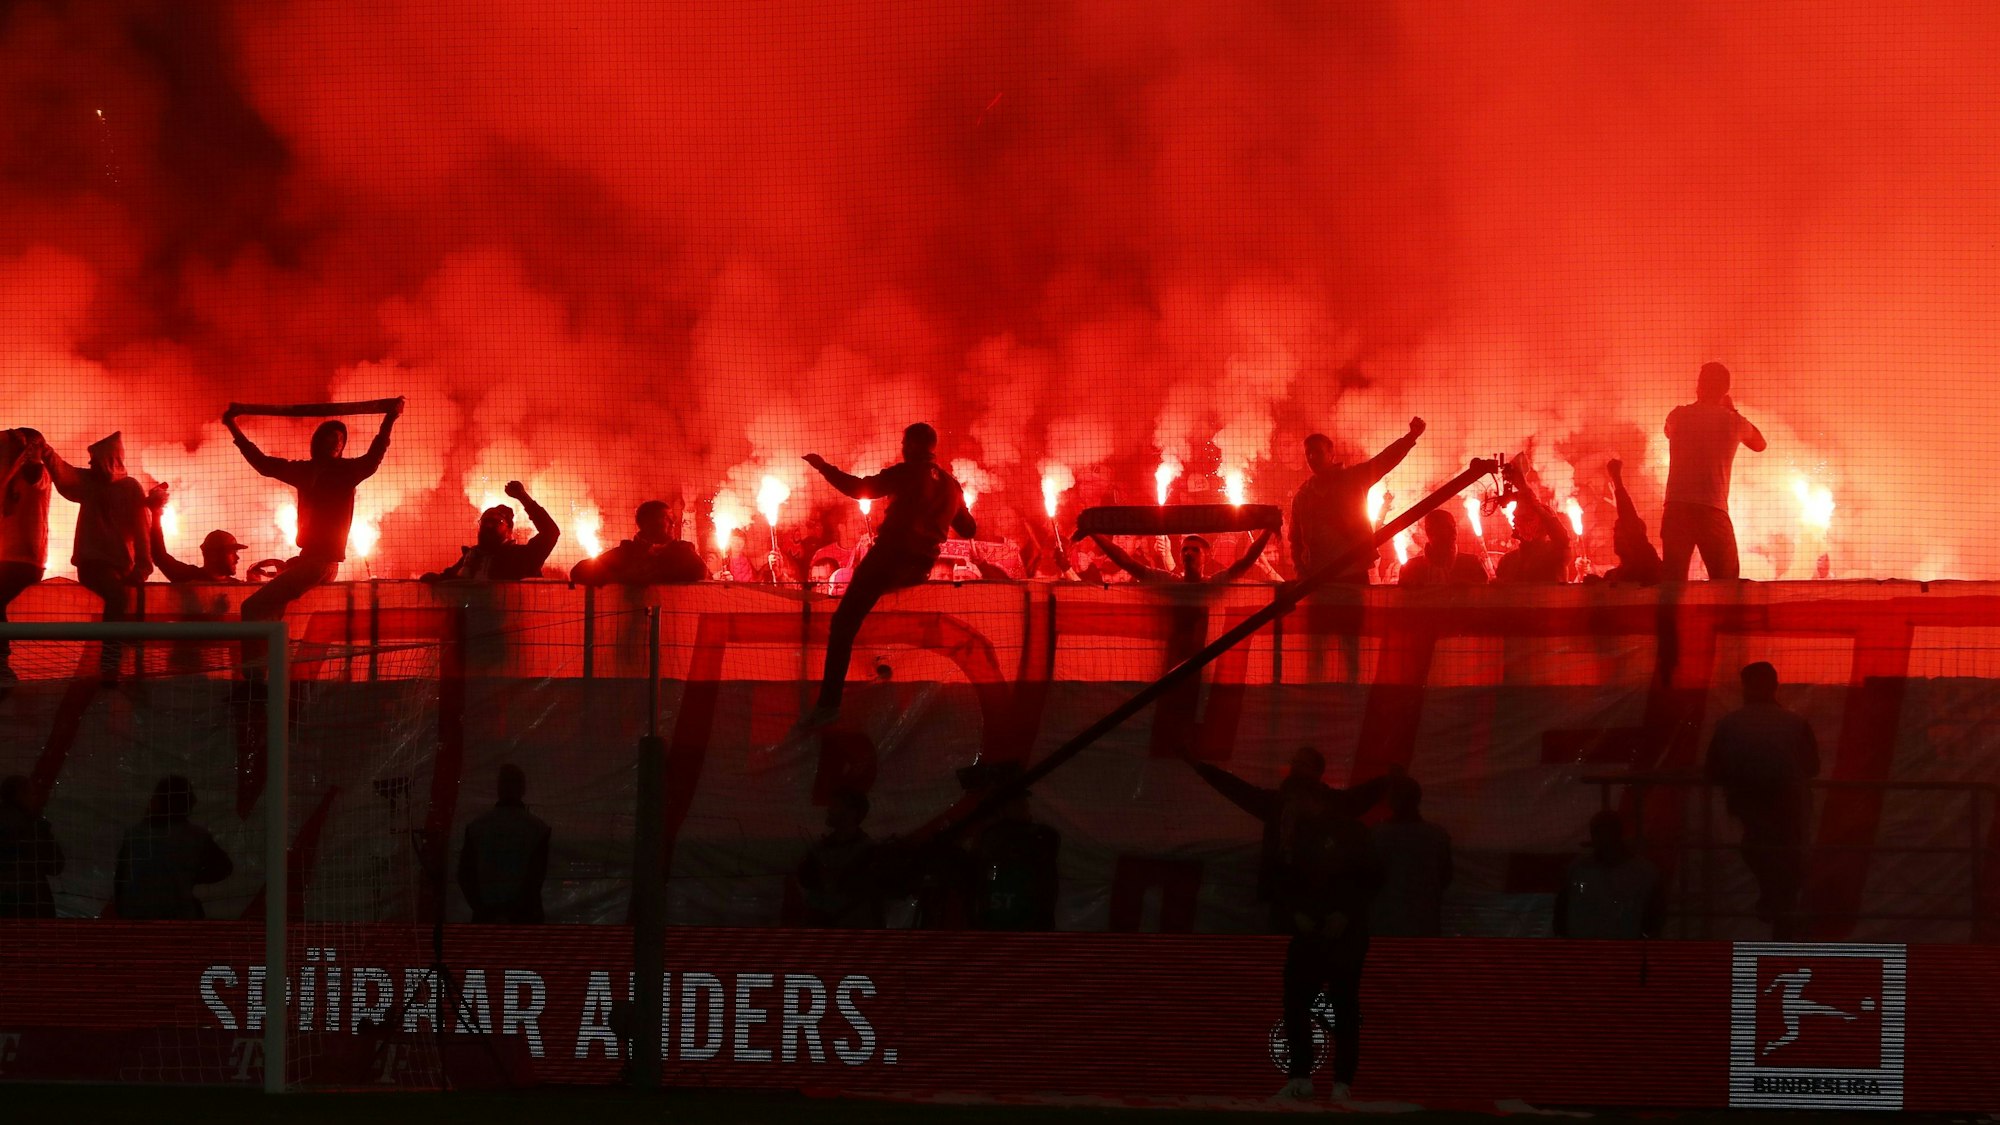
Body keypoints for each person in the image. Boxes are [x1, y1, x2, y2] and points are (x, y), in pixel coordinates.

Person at [800, 423, 975, 726]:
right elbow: (969, 529)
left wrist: (823, 467)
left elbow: (859, 489)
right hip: (920, 569)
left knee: (843, 624)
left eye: (904, 442)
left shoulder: (907, 472)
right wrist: (951, 504)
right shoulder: (951, 484)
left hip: (888, 560)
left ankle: (828, 705)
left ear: (909, 445)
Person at [226, 400, 403, 628]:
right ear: (318, 442)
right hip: (309, 561)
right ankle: (273, 657)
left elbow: (374, 456)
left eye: (340, 439)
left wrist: (390, 419)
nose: (337, 442)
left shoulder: (346, 472)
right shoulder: (304, 471)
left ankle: (261, 663)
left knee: (252, 607)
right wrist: (232, 427)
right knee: (271, 609)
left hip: (322, 564)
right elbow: (263, 463)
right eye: (331, 436)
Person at [1184, 745, 1388, 933]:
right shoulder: (1277, 804)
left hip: (1322, 904)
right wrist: (1199, 766)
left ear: (1318, 773)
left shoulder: (1335, 806)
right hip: (1283, 902)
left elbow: (1363, 797)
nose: (1296, 768)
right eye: (1295, 763)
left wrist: (1341, 910)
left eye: (1303, 764)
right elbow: (1238, 789)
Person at [1273, 781, 1380, 1104]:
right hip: (1311, 930)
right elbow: (1286, 881)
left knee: (1344, 1004)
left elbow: (1370, 877)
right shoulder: (1296, 835)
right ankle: (1301, 1078)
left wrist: (1345, 914)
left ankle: (1342, 1082)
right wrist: (1297, 915)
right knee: (1297, 1001)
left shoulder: (1350, 832)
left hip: (1344, 932)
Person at [1705, 661, 1819, 939]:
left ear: (1745, 686)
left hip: (1750, 809)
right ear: (1775, 685)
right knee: (1787, 864)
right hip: (1788, 809)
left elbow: (1713, 770)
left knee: (1761, 853)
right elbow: (1813, 766)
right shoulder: (1795, 723)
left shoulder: (1729, 724)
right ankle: (1784, 923)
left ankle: (1776, 909)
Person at [45, 433, 155, 684]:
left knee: (122, 601)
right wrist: (46, 451)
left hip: (121, 567)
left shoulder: (129, 488)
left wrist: (143, 566)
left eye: (95, 460)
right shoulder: (90, 483)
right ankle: (110, 666)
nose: (91, 464)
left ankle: (116, 663)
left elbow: (141, 529)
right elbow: (65, 474)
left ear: (109, 460)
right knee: (117, 598)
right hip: (93, 564)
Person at [1662, 361, 1766, 581]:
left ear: (1699, 386)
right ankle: (1727, 615)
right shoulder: (1733, 421)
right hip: (1712, 509)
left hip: (1677, 508)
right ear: (1725, 390)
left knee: (1672, 582)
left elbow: (1667, 432)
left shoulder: (1678, 415)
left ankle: (1669, 615)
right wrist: (1730, 409)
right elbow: (1760, 444)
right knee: (1726, 581)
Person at [1289, 418, 1425, 582]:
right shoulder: (1302, 497)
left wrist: (1410, 437)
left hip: (1352, 573)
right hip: (1315, 578)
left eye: (1317, 452)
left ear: (1331, 454)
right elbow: (1295, 540)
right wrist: (1300, 571)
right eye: (1308, 453)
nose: (1312, 457)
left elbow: (1383, 461)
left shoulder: (1353, 479)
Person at [114, 776, 233, 920]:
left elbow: (120, 881)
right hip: (178, 918)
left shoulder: (135, 835)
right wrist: (192, 878)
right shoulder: (195, 837)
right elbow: (224, 867)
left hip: (139, 919)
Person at [457, 764, 552, 924]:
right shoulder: (538, 829)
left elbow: (465, 875)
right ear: (522, 789)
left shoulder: (477, 827)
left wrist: (483, 909)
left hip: (486, 916)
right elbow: (535, 878)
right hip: (525, 918)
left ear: (499, 789)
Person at [1553, 810, 1663, 940]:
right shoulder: (1646, 872)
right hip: (1595, 948)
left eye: (1607, 834)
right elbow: (1562, 906)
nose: (1604, 840)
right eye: (1599, 834)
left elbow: (1655, 916)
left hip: (1616, 948)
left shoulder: (1578, 869)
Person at [1368, 773, 1453, 937]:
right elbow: (1445, 879)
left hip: (1383, 923)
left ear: (1391, 801)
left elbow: (1367, 879)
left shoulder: (1377, 835)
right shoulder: (1438, 836)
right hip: (1424, 922)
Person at [425, 480, 560, 581]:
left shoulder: (522, 556)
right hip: (471, 618)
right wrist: (434, 579)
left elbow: (550, 532)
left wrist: (523, 497)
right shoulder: (471, 556)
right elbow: (449, 578)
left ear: (509, 528)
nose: (489, 525)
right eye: (485, 521)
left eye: (496, 521)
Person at [967, 786, 1061, 932]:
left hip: (1027, 923)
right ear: (1003, 808)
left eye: (1023, 803)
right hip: (997, 923)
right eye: (1017, 803)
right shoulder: (991, 836)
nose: (1024, 806)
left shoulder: (1042, 835)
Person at [1, 429, 53, 682]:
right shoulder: (8, 474)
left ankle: (2, 661)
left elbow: (34, 474)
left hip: (25, 559)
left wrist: (31, 453)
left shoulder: (37, 472)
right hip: (7, 557)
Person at [796, 789, 883, 928]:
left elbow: (863, 893)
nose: (829, 810)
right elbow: (806, 879)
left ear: (852, 813)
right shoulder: (820, 847)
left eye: (836, 806)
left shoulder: (870, 852)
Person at [570, 499, 705, 586]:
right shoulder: (627, 553)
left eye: (672, 518)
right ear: (647, 523)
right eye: (666, 517)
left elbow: (699, 570)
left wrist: (656, 573)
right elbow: (579, 571)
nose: (672, 523)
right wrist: (621, 577)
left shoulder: (681, 550)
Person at [1086, 529, 1274, 584]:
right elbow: (1125, 561)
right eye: (1185, 550)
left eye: (1194, 550)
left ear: (1206, 556)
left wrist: (1267, 532)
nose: (1188, 553)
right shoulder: (1169, 581)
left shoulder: (1212, 585)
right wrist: (1094, 533)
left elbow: (1245, 562)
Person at [1493, 461, 1570, 584]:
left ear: (1543, 524)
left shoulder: (1554, 553)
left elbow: (1561, 537)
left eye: (1526, 518)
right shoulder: (1507, 561)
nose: (1517, 521)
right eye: (1517, 517)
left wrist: (1526, 491)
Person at [146, 490, 246, 584]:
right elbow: (159, 556)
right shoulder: (188, 576)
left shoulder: (236, 586)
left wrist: (253, 583)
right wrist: (156, 514)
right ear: (213, 555)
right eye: (231, 553)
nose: (237, 558)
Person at [0, 775, 64, 918]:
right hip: (30, 906)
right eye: (32, 793)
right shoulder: (32, 828)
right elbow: (55, 865)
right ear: (21, 794)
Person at [1599, 459, 1663, 585]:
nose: (1617, 535)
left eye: (1622, 531)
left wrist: (1617, 480)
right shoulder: (1611, 576)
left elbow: (1630, 521)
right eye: (1615, 531)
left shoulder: (1647, 562)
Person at [1397, 509, 1488, 588]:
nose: (1454, 531)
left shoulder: (1473, 564)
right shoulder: (1410, 569)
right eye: (1447, 527)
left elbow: (1486, 599)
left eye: (1454, 526)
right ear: (1430, 532)